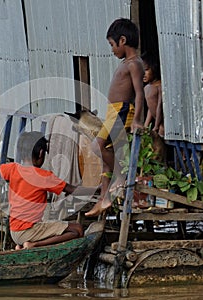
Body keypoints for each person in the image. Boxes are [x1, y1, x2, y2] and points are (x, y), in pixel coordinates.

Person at [0, 122, 99, 249]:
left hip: (14, 231)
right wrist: (99, 189)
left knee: (52, 225)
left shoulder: (12, 169)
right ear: (41, 153)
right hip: (29, 230)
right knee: (77, 229)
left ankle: (23, 245)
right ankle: (33, 244)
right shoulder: (42, 176)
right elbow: (72, 190)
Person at [86, 18, 144, 217]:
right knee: (103, 155)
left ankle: (120, 176)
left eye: (112, 45)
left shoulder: (135, 64)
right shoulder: (126, 63)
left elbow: (139, 93)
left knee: (96, 146)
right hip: (113, 112)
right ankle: (104, 199)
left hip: (122, 112)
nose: (112, 50)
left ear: (122, 40)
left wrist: (137, 119)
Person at [141, 52, 164, 137]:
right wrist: (146, 126)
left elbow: (159, 107)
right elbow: (150, 109)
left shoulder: (160, 86)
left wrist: (156, 126)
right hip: (156, 123)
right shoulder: (146, 88)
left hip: (163, 124)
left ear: (154, 69)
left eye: (146, 70)